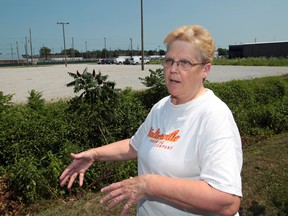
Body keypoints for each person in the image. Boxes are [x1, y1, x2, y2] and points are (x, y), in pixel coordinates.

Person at [60, 25, 243, 216]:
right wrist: (95, 154)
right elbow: (136, 145)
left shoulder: (213, 115)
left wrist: (149, 184)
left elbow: (226, 202)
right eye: (169, 61)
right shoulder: (162, 107)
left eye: (185, 63)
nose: (173, 70)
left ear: (205, 69)